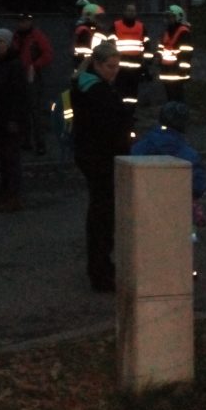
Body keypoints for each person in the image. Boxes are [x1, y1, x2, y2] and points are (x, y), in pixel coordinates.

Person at [70, 41, 134, 292]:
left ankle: (100, 266)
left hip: (93, 156)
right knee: (103, 218)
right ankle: (101, 271)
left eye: (117, 66)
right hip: (101, 159)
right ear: (97, 64)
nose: (114, 71)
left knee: (100, 214)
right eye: (110, 66)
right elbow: (108, 126)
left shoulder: (86, 85)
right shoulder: (96, 91)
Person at [131, 101, 206, 224]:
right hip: (178, 213)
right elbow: (198, 187)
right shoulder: (189, 155)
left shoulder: (140, 147)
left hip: (142, 211)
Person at [0, 28, 28, 212]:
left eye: (1, 42)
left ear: (8, 44)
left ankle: (13, 196)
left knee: (11, 159)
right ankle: (5, 193)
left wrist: (14, 119)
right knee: (3, 159)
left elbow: (19, 94)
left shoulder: (14, 65)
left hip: (9, 118)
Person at [13, 12, 54, 155]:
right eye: (20, 21)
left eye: (24, 21)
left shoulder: (37, 36)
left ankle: (40, 143)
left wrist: (34, 66)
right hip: (19, 76)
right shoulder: (16, 36)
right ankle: (26, 141)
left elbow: (48, 54)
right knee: (23, 110)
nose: (22, 23)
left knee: (35, 110)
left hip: (33, 76)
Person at [113, 3, 149, 108]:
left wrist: (146, 64)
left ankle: (131, 111)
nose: (131, 13)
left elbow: (147, 45)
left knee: (133, 94)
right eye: (129, 10)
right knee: (120, 91)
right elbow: (110, 44)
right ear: (124, 12)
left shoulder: (141, 27)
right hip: (120, 68)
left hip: (136, 68)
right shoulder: (116, 26)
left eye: (133, 11)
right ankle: (121, 110)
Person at [157, 5, 192, 102]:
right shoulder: (166, 31)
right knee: (170, 97)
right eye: (167, 17)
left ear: (178, 17)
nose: (168, 19)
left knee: (177, 97)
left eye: (171, 17)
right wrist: (159, 59)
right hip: (166, 70)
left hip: (177, 71)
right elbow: (161, 48)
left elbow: (186, 52)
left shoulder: (183, 32)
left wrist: (183, 69)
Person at [72, 3, 105, 68]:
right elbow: (84, 50)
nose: (100, 20)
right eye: (97, 17)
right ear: (89, 16)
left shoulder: (92, 29)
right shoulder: (84, 30)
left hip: (90, 63)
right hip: (85, 64)